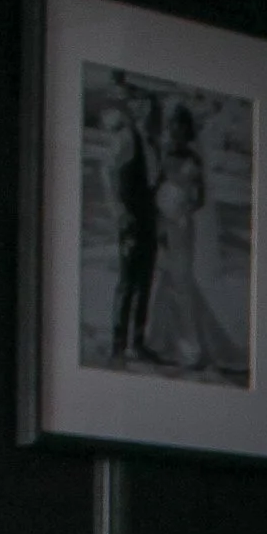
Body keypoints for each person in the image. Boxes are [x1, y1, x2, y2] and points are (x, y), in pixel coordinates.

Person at [146, 103, 246, 378]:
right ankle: (161, 341)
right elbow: (155, 188)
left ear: (187, 129)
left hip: (182, 226)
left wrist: (182, 207)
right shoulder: (165, 156)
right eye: (172, 125)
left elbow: (200, 198)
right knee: (167, 280)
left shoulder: (194, 160)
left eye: (179, 125)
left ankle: (191, 346)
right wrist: (163, 211)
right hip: (166, 225)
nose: (175, 130)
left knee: (182, 281)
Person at [100, 91, 159, 366]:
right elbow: (108, 172)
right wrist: (119, 211)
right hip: (132, 219)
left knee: (145, 281)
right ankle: (118, 344)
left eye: (146, 105)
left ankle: (138, 342)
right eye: (136, 105)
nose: (141, 110)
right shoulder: (126, 139)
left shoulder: (152, 143)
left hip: (149, 219)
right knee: (127, 281)